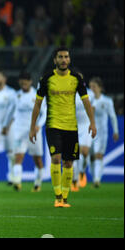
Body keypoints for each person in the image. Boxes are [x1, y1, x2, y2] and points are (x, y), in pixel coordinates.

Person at [29, 47, 96, 208]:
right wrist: (32, 127)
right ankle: (57, 195)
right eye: (60, 57)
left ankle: (65, 198)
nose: (64, 59)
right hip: (53, 125)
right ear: (55, 60)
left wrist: (92, 123)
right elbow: (38, 104)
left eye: (66, 57)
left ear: (69, 60)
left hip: (71, 127)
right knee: (56, 158)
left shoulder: (76, 79)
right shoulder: (47, 79)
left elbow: (86, 102)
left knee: (68, 163)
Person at [3, 71, 46, 192]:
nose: (24, 85)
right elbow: (11, 112)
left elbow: (44, 113)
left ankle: (37, 183)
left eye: (25, 82)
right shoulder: (16, 96)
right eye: (22, 83)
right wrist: (6, 126)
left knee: (37, 160)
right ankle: (17, 182)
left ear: (30, 82)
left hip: (34, 132)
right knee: (18, 157)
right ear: (19, 83)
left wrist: (39, 126)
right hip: (19, 132)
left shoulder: (37, 95)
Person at [90, 77, 119, 188]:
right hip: (89, 132)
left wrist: (115, 131)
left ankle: (97, 179)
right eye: (91, 86)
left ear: (100, 88)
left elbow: (112, 116)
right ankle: (94, 178)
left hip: (101, 133)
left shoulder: (107, 101)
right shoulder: (88, 100)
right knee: (91, 157)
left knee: (98, 155)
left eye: (94, 87)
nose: (92, 89)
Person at [72, 75, 95, 191]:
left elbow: (93, 108)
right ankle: (74, 180)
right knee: (75, 155)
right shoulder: (70, 93)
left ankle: (81, 171)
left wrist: (93, 123)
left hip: (86, 126)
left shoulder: (89, 93)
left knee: (85, 153)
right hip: (74, 126)